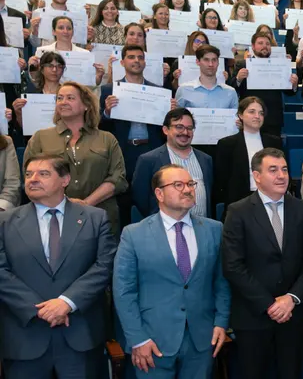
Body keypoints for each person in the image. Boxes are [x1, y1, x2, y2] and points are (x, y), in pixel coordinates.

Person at [0, 154, 116, 378]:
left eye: (43, 174)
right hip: (25, 338)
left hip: (80, 336)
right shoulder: (5, 222)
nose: (33, 179)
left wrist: (66, 302)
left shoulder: (95, 218)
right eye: (28, 174)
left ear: (65, 180)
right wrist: (42, 309)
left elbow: (104, 265)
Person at [113, 164, 230, 378]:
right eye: (178, 185)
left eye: (190, 184)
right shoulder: (133, 234)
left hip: (202, 340)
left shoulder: (214, 229)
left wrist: (221, 322)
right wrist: (137, 338)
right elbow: (124, 292)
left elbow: (221, 282)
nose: (187, 190)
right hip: (152, 341)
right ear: (159, 193)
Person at [221, 147, 303, 378]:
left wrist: (291, 298)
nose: (281, 175)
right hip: (253, 316)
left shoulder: (300, 208)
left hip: (292, 315)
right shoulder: (238, 211)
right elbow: (233, 266)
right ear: (257, 176)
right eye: (273, 170)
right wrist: (269, 304)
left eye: (284, 169)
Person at [24, 82, 128, 236]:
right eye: (59, 98)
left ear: (86, 105)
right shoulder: (40, 137)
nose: (63, 102)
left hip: (101, 216)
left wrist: (86, 203)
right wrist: (63, 204)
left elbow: (118, 178)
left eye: (70, 98)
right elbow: (29, 178)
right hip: (52, 218)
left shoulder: (107, 138)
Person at [100, 45, 171, 180]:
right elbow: (100, 127)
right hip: (122, 149)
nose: (136, 60)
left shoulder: (159, 91)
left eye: (140, 57)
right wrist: (107, 113)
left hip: (151, 148)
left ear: (145, 62)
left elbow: (165, 126)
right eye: (131, 57)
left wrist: (169, 112)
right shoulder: (109, 90)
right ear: (122, 62)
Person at [132, 108, 213, 219]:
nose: (185, 132)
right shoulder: (149, 160)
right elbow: (141, 198)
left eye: (189, 128)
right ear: (166, 130)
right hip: (165, 230)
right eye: (179, 127)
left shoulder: (206, 159)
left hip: (202, 227)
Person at [229, 29, 299, 137]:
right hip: (250, 118)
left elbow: (289, 92)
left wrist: (293, 85)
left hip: (273, 118)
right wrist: (238, 79)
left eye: (267, 44)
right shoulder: (243, 64)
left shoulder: (279, 65)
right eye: (260, 43)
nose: (264, 46)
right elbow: (232, 89)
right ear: (253, 46)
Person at [176, 45, 238, 110]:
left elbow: (234, 118)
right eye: (206, 60)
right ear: (198, 62)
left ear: (218, 62)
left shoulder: (230, 92)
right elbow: (177, 118)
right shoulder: (183, 89)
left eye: (214, 60)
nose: (210, 64)